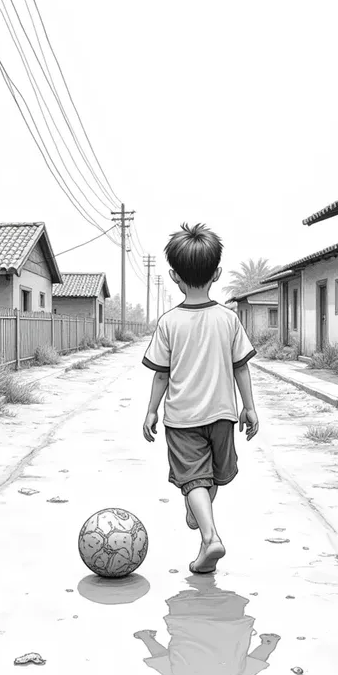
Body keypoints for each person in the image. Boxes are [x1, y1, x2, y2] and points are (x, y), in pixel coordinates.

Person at [142, 222, 259, 573]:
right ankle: (202, 527)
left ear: (175, 276)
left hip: (182, 420)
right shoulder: (228, 319)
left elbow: (161, 373)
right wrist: (249, 408)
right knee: (210, 479)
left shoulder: (168, 322)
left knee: (193, 478)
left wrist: (150, 411)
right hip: (223, 415)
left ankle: (210, 538)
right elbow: (242, 368)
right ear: (218, 273)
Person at [133, 574, 280, 675]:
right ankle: (203, 577)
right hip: (184, 613)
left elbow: (261, 654)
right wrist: (146, 636)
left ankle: (207, 579)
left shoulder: (237, 674)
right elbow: (159, 655)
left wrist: (269, 642)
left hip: (230, 613)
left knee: (214, 590)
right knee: (194, 586)